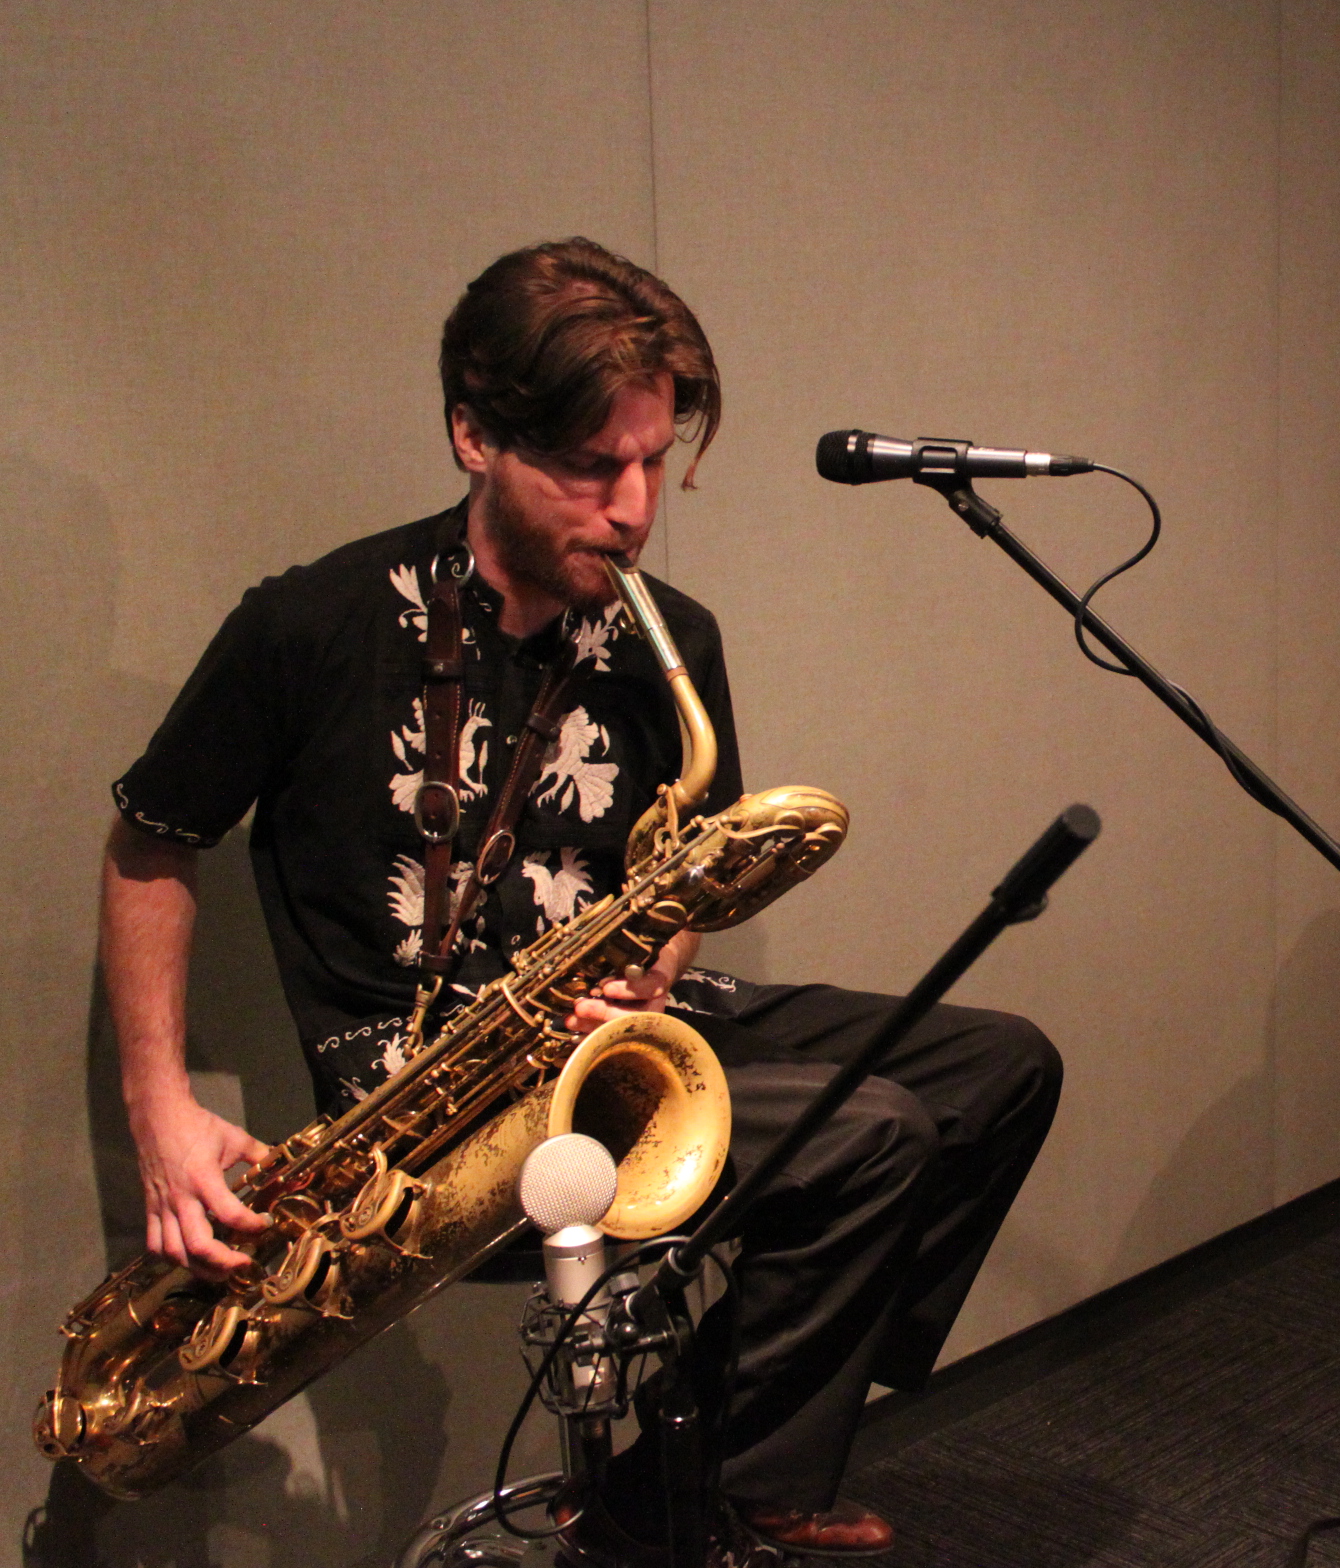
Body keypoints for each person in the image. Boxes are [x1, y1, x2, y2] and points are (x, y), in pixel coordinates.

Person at [101, 237, 1062, 1564]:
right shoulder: (309, 624)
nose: (633, 509)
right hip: (430, 1108)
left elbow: (684, 876)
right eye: (592, 468)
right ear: (473, 436)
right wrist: (160, 1107)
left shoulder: (673, 637)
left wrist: (657, 961)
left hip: (613, 1033)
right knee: (870, 1136)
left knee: (1000, 1068)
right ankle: (704, 1495)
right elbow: (151, 842)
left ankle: (708, 1460)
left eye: (655, 463)